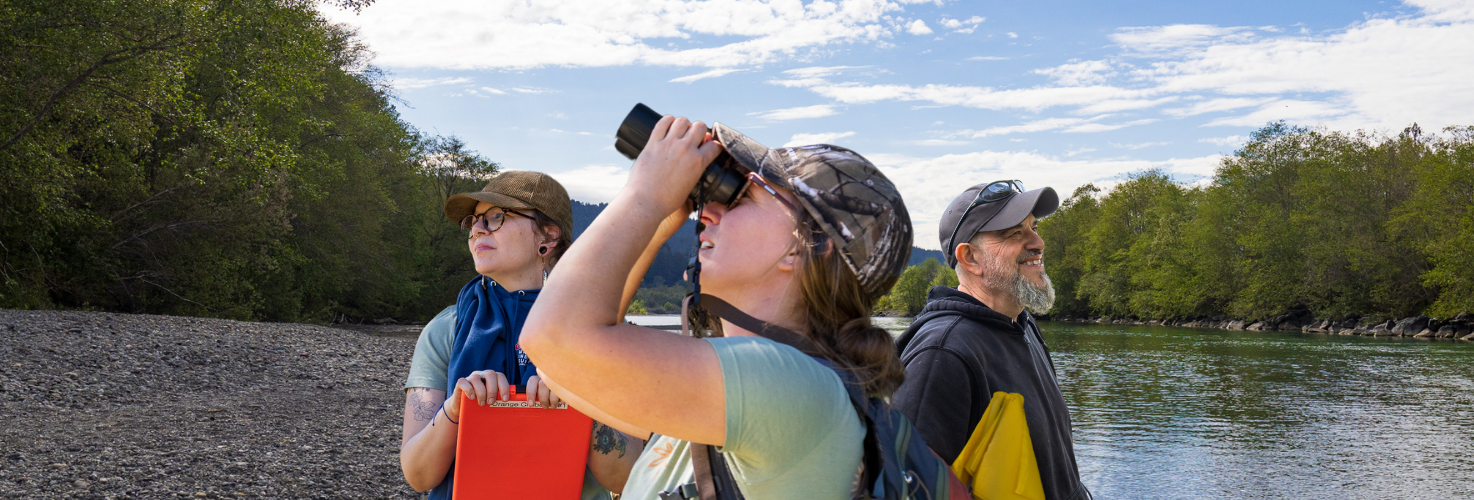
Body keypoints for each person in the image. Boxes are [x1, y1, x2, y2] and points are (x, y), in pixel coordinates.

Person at [518, 115, 913, 499]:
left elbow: (554, 338)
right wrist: (663, 217)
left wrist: (647, 196)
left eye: (741, 196)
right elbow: (563, 371)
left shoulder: (787, 387)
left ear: (805, 245)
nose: (706, 212)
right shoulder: (742, 390)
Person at [398, 170, 643, 500]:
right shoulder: (445, 330)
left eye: (496, 216)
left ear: (548, 236)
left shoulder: (599, 331)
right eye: (474, 220)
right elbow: (418, 474)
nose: (477, 229)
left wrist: (578, 404)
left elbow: (629, 478)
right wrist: (455, 411)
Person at [892, 180, 1090, 500]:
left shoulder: (1022, 326)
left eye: (1033, 227)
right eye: (1014, 233)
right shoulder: (943, 352)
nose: (1038, 242)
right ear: (970, 258)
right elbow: (903, 487)